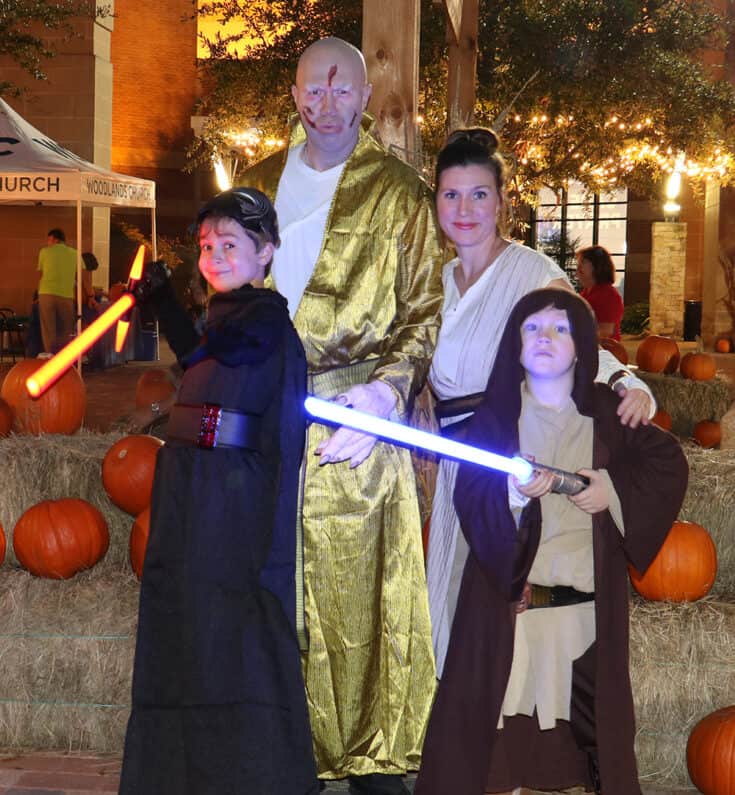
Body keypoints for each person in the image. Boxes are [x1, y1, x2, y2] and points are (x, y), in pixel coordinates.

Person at [241, 36, 443, 795]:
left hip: (356, 416)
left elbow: (425, 308)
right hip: (264, 422)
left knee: (358, 596)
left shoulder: (397, 191)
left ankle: (367, 761)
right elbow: (226, 290)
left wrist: (387, 395)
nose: (323, 103)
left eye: (339, 90)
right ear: (293, 95)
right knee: (267, 586)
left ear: (364, 97)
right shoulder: (256, 185)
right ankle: (275, 744)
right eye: (309, 90)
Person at [416, 288, 688, 795]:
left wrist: (613, 492)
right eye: (532, 328)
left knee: (590, 734)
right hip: (511, 609)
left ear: (583, 345)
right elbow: (472, 499)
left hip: (583, 611)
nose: (545, 338)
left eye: (560, 328)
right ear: (514, 346)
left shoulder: (608, 410)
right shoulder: (493, 420)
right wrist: (514, 500)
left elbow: (667, 462)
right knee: (492, 744)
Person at [425, 128, 656, 677]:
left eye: (479, 194)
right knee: (448, 600)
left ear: (503, 202)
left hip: (512, 458)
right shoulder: (437, 281)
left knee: (497, 608)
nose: (464, 208)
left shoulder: (532, 273)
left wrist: (626, 381)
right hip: (455, 459)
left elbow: (574, 336)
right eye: (451, 194)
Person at [118, 188, 319, 795]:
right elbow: (208, 354)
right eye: (206, 246)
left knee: (235, 638)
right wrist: (161, 305)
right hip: (189, 492)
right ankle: (182, 775)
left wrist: (262, 537)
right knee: (187, 633)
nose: (214, 256)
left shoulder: (267, 325)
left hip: (233, 501)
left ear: (266, 252)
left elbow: (274, 427)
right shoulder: (227, 324)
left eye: (229, 244)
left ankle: (253, 776)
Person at [36, 228, 77, 353]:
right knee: (66, 327)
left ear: (54, 239)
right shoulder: (74, 253)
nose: (48, 242)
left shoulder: (44, 252)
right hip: (66, 294)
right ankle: (64, 354)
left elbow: (41, 273)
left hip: (46, 293)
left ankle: (50, 354)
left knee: (48, 327)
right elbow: (81, 274)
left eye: (49, 239)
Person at [576, 244, 625, 340]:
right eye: (578, 263)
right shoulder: (585, 293)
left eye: (583, 262)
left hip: (603, 351)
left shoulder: (608, 295)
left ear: (597, 265)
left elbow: (606, 331)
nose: (578, 267)